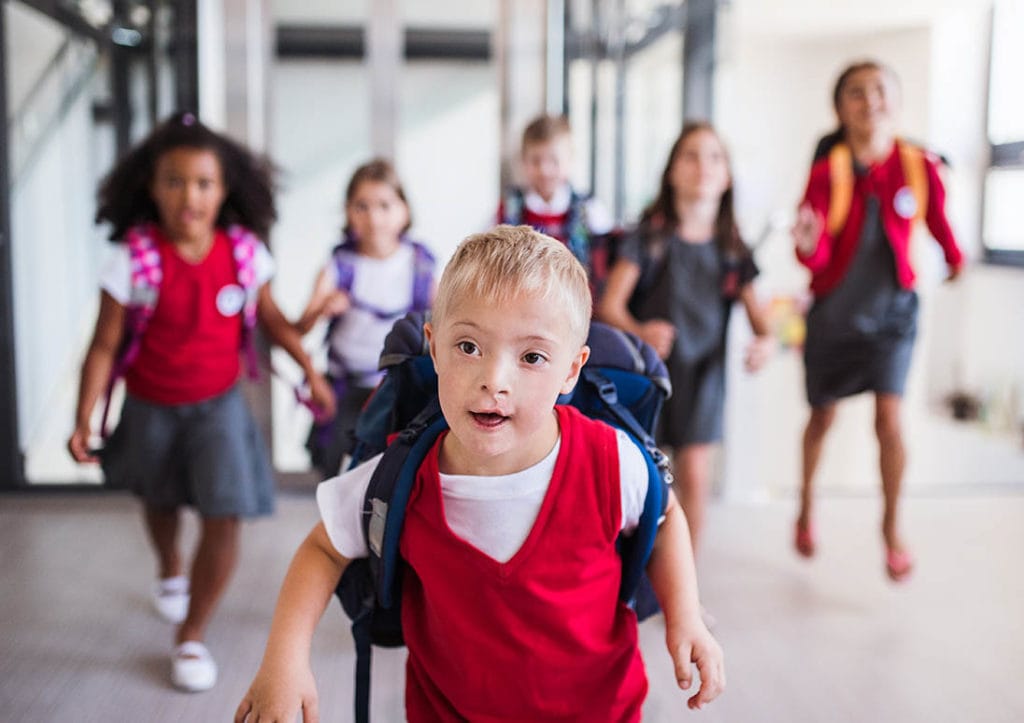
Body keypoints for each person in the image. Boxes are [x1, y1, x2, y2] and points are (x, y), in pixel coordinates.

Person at [235, 225, 725, 722]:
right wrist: (285, 660)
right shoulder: (401, 475)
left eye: (532, 357)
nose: (494, 380)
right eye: (468, 347)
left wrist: (684, 614)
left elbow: (664, 519)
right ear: (434, 346)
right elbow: (323, 548)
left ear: (571, 372)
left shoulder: (609, 461)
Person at [67, 112, 335, 692]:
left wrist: (310, 369)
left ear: (224, 190)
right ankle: (170, 564)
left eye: (204, 183)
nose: (190, 195)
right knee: (160, 499)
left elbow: (272, 323)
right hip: (150, 406)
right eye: (174, 181)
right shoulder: (133, 260)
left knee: (225, 512)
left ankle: (191, 634)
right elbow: (104, 346)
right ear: (152, 188)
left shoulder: (243, 254)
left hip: (218, 406)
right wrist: (84, 416)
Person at [791, 60, 964, 581]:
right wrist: (805, 244)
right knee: (822, 418)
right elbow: (816, 255)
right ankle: (805, 505)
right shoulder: (829, 172)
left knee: (889, 419)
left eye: (880, 91)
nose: (870, 102)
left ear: (897, 99)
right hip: (834, 319)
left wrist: (956, 259)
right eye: (857, 94)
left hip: (894, 317)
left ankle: (891, 526)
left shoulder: (917, 165)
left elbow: (936, 221)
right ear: (841, 109)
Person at [597, 122, 773, 559]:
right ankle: (630, 570)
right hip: (648, 377)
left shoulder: (733, 248)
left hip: (704, 376)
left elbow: (762, 320)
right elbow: (610, 305)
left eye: (715, 157)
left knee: (694, 478)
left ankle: (683, 586)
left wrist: (765, 343)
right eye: (691, 156)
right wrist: (640, 330)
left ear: (728, 176)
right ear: (672, 171)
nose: (703, 166)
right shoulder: (649, 239)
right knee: (642, 476)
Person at [295, 159, 435, 477]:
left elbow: (447, 324)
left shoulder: (421, 267)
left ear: (405, 210)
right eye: (362, 206)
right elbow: (299, 329)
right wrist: (322, 308)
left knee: (395, 475)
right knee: (338, 478)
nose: (374, 218)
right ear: (348, 212)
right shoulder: (339, 266)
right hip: (345, 389)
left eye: (385, 205)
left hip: (400, 390)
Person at [498, 113, 614, 288]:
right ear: (523, 160)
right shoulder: (507, 210)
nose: (545, 170)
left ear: (570, 159)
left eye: (554, 160)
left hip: (577, 306)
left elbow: (607, 265)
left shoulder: (590, 210)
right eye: (536, 161)